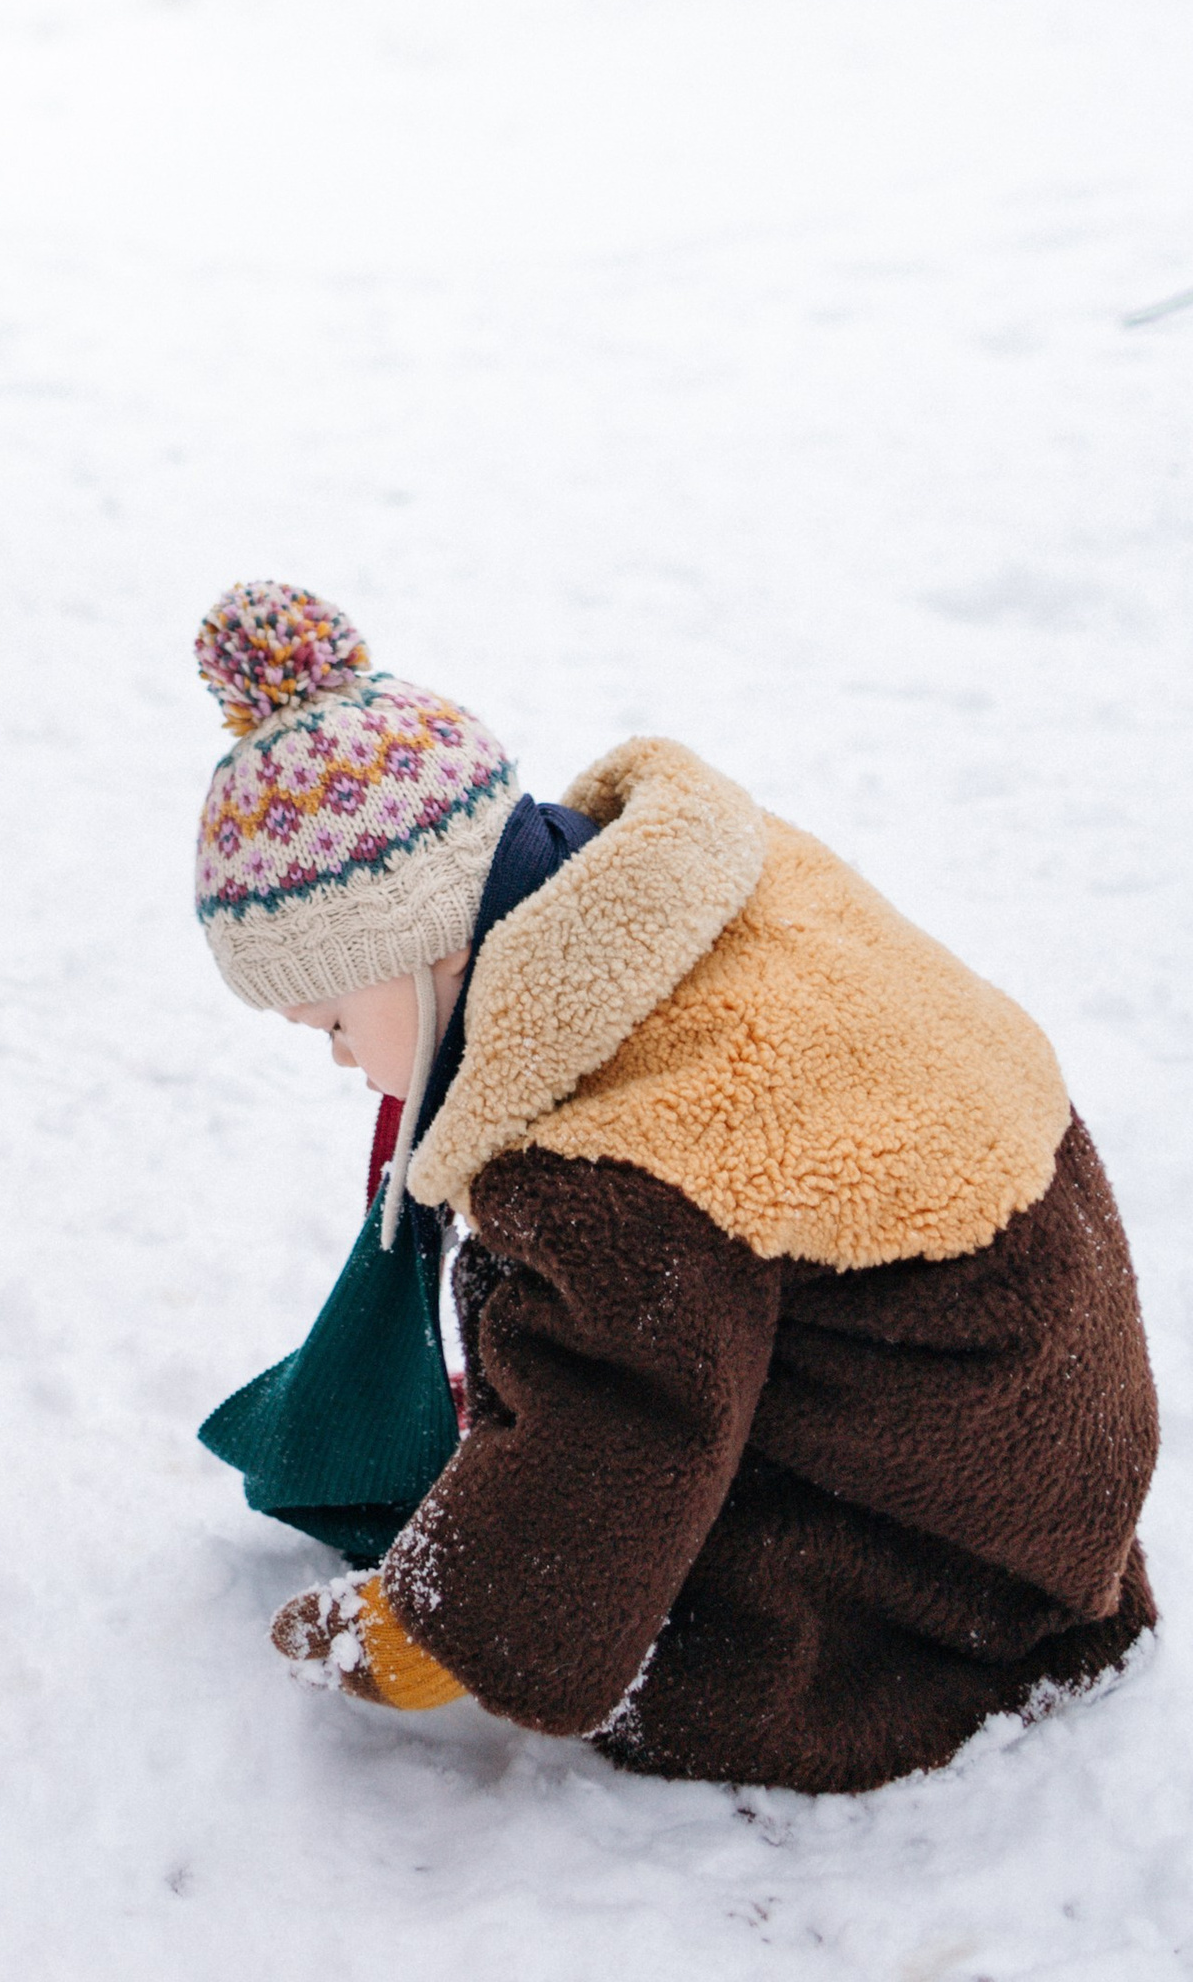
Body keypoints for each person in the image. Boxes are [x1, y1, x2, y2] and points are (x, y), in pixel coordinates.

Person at [191, 578, 1160, 1793]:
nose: (337, 1058)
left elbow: (624, 1414)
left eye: (330, 1017)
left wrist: (444, 1618)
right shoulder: (672, 901)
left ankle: (883, 1652)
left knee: (693, 1632)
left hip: (932, 1569)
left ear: (431, 952)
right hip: (1039, 1427)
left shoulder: (627, 1163)